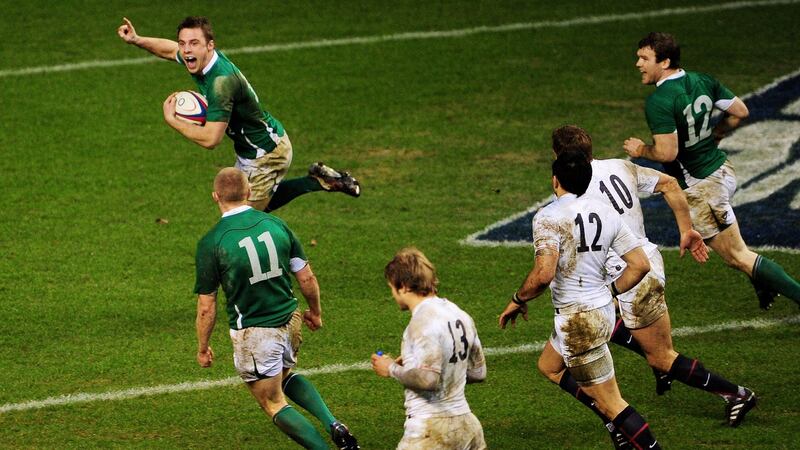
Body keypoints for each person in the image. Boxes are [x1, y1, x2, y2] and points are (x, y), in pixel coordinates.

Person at [552, 125, 757, 444]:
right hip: (640, 266)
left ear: (558, 157)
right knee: (591, 335)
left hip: (632, 275)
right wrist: (686, 229)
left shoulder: (574, 193)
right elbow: (669, 183)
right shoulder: (620, 167)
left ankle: (736, 394)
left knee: (661, 356)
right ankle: (619, 418)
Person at [623, 32, 800, 310]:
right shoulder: (702, 80)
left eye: (644, 58)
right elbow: (740, 111)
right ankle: (764, 284)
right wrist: (717, 133)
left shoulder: (660, 101)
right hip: (722, 170)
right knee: (738, 251)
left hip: (701, 186)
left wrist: (641, 150)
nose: (638, 64)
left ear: (665, 62)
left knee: (737, 255)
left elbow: (667, 153)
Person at [499, 151, 662, 449]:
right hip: (601, 310)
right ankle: (615, 426)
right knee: (550, 366)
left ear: (555, 181)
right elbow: (640, 265)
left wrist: (518, 298)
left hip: (578, 321)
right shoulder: (606, 211)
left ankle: (625, 431)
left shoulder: (548, 217)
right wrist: (610, 292)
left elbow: (543, 274)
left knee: (612, 403)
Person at [117, 16, 360, 213]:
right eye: (183, 43)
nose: (186, 50)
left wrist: (172, 120)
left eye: (193, 43)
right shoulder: (201, 60)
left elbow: (211, 139)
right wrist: (137, 39)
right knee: (240, 208)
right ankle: (318, 180)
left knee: (241, 218)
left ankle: (315, 183)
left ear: (210, 45)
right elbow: (170, 50)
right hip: (253, 148)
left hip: (265, 155)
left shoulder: (221, 84)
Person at [194, 167, 359, 449]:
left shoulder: (212, 242)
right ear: (249, 192)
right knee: (283, 376)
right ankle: (334, 424)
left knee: (272, 402)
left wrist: (202, 347)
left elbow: (206, 307)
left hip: (256, 333)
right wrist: (315, 312)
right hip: (291, 320)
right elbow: (306, 277)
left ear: (215, 197)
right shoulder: (277, 225)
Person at [371, 248, 487, 450]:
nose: (392, 294)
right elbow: (478, 372)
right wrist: (417, 366)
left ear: (403, 286)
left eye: (392, 287)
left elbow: (428, 379)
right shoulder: (460, 315)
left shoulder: (421, 323)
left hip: (431, 429)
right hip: (468, 428)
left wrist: (391, 368)